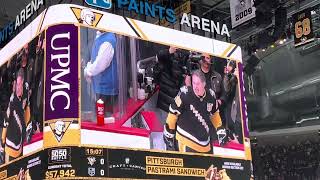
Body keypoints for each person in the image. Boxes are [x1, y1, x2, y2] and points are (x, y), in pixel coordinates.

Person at [163, 70, 228, 153]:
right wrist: (169, 132)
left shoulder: (211, 96)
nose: (195, 87)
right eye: (193, 83)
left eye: (198, 84)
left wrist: (219, 129)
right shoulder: (184, 94)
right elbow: (173, 113)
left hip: (205, 142)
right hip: (186, 139)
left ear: (204, 84)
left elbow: (214, 114)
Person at [84, 31, 118, 117]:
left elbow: (100, 64)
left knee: (103, 119)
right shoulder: (100, 36)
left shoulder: (108, 40)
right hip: (101, 86)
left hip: (106, 89)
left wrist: (87, 70)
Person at [154, 47, 188, 122]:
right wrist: (169, 51)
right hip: (166, 97)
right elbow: (159, 56)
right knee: (165, 125)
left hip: (177, 99)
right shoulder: (168, 54)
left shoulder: (185, 54)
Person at [1, 68, 26, 162]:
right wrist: (2, 143)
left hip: (20, 146)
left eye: (21, 85)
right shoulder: (11, 102)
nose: (19, 87)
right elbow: (5, 124)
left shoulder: (23, 99)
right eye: (17, 85)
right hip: (10, 148)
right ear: (14, 86)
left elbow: (24, 122)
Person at [223, 60, 243, 144]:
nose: (229, 67)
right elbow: (227, 88)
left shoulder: (242, 73)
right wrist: (227, 75)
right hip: (232, 103)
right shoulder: (232, 76)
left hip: (240, 105)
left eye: (230, 66)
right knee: (233, 122)